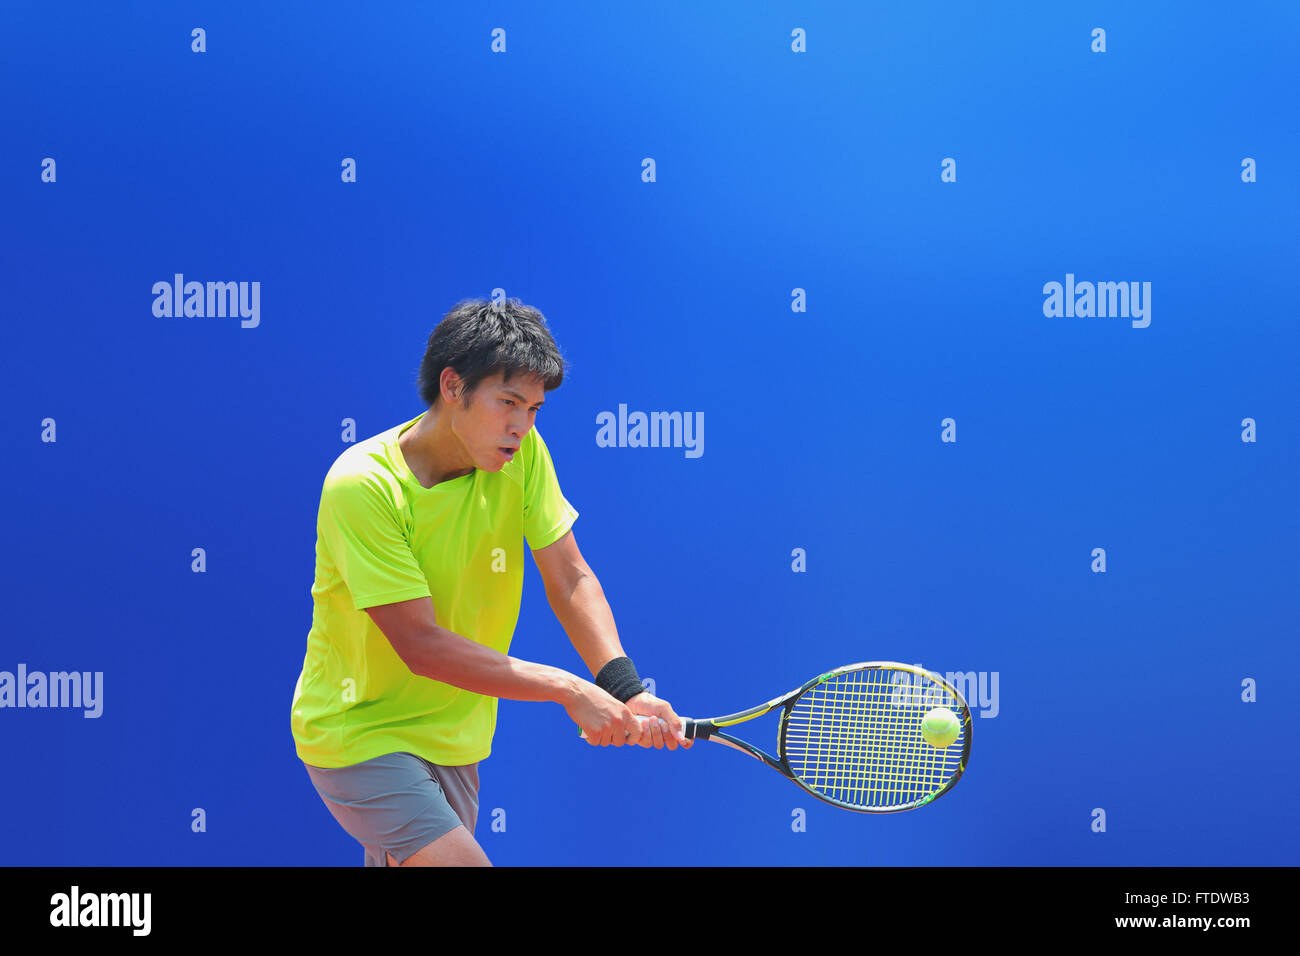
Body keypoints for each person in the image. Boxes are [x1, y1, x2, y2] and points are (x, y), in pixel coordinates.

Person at [290, 297, 689, 867]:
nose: (522, 427)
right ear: (453, 387)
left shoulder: (520, 457)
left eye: (533, 409)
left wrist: (626, 688)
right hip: (359, 732)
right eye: (508, 403)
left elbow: (569, 576)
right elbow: (420, 646)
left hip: (457, 738)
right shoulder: (362, 486)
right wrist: (571, 689)